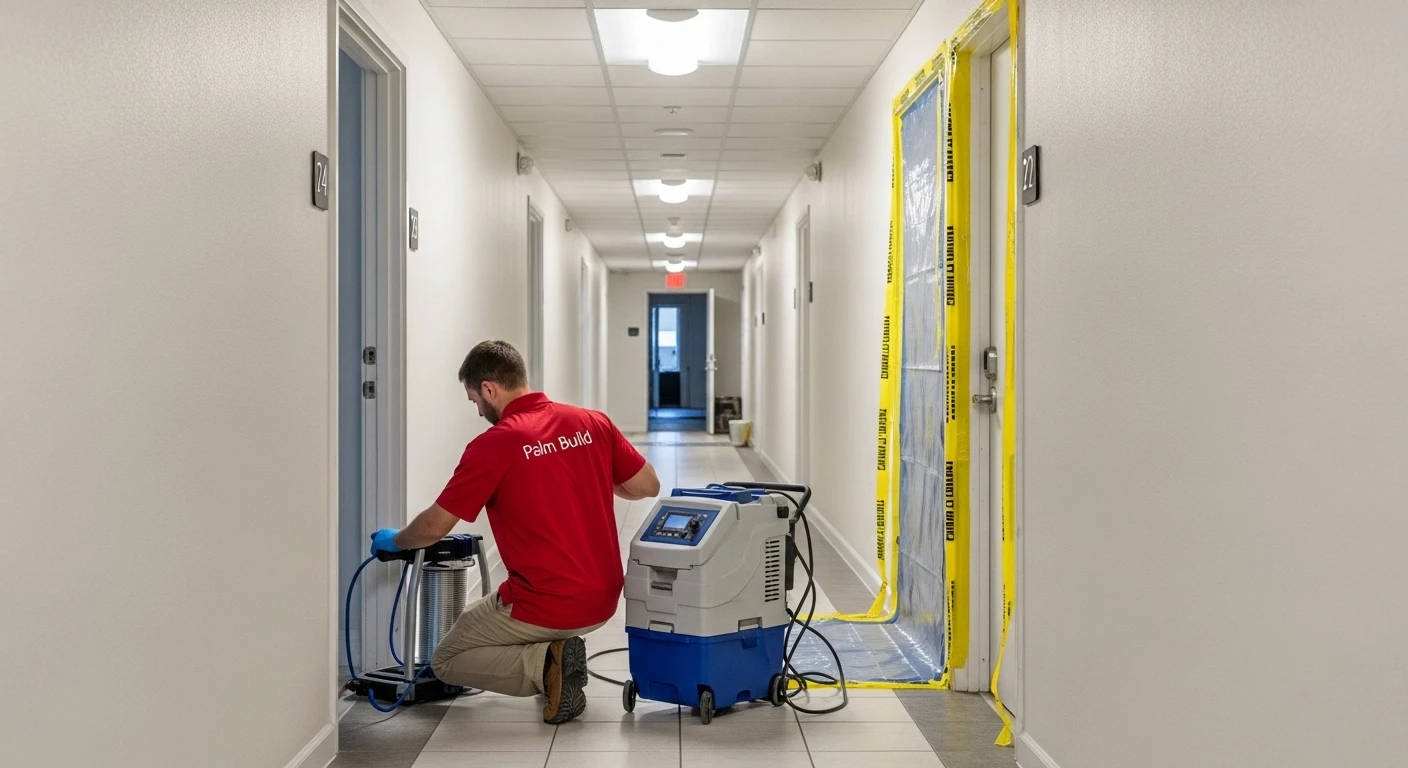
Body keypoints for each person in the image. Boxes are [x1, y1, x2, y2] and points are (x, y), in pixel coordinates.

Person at [368, 340, 660, 724]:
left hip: (545, 603)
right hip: (605, 599)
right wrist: (589, 475)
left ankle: (546, 665)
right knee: (488, 613)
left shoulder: (495, 444)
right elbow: (646, 486)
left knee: (446, 658)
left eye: (475, 400)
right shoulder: (591, 422)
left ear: (489, 389)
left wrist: (396, 540)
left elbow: (434, 527)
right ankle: (557, 652)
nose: (478, 411)